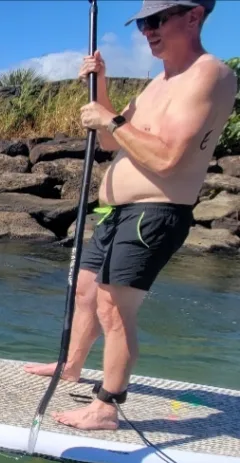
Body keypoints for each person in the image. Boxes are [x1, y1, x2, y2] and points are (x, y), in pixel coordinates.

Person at [23, 0, 237, 431]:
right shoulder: (157, 83)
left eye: (157, 20)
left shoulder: (208, 75)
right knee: (85, 291)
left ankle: (107, 406)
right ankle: (71, 365)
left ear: (193, 15)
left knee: (113, 308)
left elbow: (168, 159)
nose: (147, 31)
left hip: (153, 212)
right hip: (117, 212)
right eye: (142, 23)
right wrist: (100, 88)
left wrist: (109, 119)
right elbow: (109, 143)